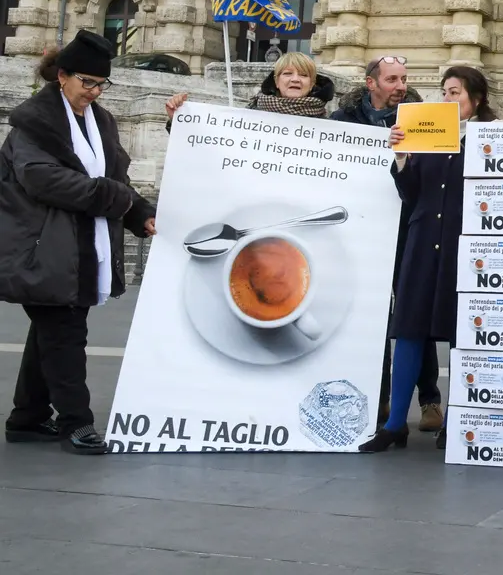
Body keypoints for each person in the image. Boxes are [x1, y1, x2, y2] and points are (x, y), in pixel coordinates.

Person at [1, 31, 157, 455]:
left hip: (82, 247)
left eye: (101, 84)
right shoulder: (32, 122)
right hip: (43, 246)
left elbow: (117, 178)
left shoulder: (101, 120)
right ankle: (77, 421)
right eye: (87, 82)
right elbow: (41, 178)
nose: (94, 92)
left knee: (52, 330)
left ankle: (27, 417)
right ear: (62, 77)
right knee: (65, 331)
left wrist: (139, 214)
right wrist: (115, 198)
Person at [362, 66, 497, 452]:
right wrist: (402, 158)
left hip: (467, 246)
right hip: (422, 241)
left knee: (462, 334)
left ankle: (456, 420)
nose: (446, 98)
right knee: (409, 329)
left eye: (455, 92)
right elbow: (411, 192)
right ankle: (394, 425)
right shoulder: (427, 135)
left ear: (476, 98)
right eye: (443, 92)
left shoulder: (493, 136)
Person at [330, 55, 442, 434]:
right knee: (371, 315)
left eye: (404, 79)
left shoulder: (422, 119)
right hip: (363, 227)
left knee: (414, 314)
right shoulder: (344, 121)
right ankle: (381, 397)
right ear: (371, 83)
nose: (400, 86)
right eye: (392, 79)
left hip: (410, 227)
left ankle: (429, 400)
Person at [163, 51, 336, 123]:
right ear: (276, 81)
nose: (295, 80)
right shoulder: (250, 116)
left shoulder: (328, 125)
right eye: (287, 74)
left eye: (304, 75)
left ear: (312, 83)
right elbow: (209, 146)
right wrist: (178, 118)